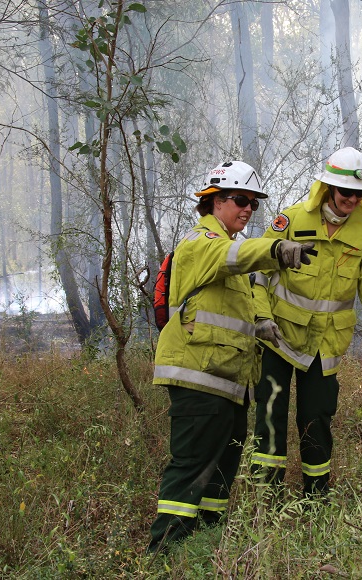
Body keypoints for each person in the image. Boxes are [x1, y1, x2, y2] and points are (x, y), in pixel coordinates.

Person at [148, 160, 313, 553]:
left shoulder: (225, 251)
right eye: (240, 200)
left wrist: (260, 323)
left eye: (253, 204)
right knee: (191, 466)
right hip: (198, 378)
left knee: (221, 470)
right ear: (214, 201)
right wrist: (278, 247)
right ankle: (164, 555)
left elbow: (225, 312)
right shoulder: (199, 244)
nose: (248, 210)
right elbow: (239, 256)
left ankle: (202, 550)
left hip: (229, 383)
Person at [250, 147, 362, 497]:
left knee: (317, 420)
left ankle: (316, 496)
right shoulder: (291, 220)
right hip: (278, 336)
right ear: (327, 188)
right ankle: (265, 497)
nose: (352, 200)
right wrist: (261, 318)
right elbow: (259, 272)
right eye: (345, 192)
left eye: (359, 194)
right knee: (270, 417)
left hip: (325, 345)